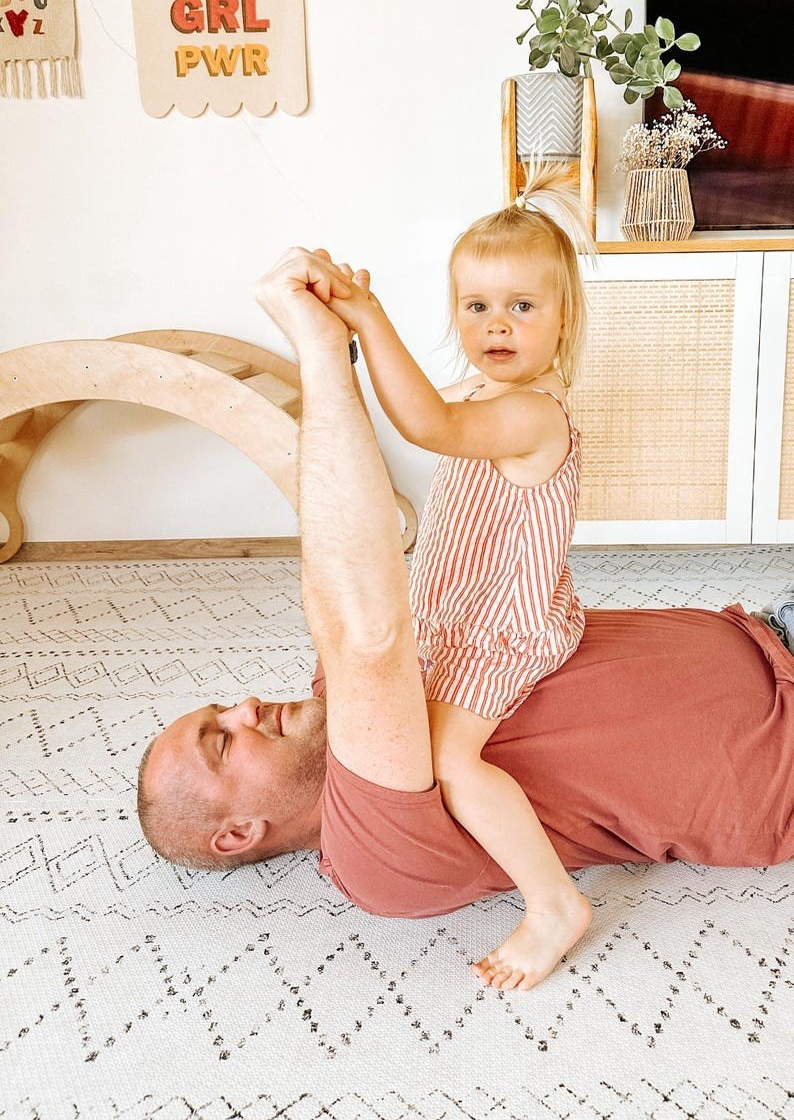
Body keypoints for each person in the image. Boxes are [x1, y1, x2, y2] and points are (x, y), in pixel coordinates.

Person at [137, 246, 794, 994]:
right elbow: (366, 628)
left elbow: (413, 424)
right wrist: (324, 349)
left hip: (763, 623)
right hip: (783, 755)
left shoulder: (338, 698)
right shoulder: (372, 851)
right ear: (237, 833)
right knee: (452, 752)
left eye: (222, 707)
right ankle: (553, 905)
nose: (245, 704)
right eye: (222, 739)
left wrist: (358, 330)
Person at [321, 164, 594, 989]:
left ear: (561, 319)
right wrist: (347, 346)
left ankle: (554, 903)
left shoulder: (530, 411)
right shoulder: (484, 387)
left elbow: (427, 424)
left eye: (521, 306)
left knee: (450, 757)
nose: (496, 325)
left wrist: (368, 319)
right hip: (451, 607)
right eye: (477, 307)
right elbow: (418, 407)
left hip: (504, 624)